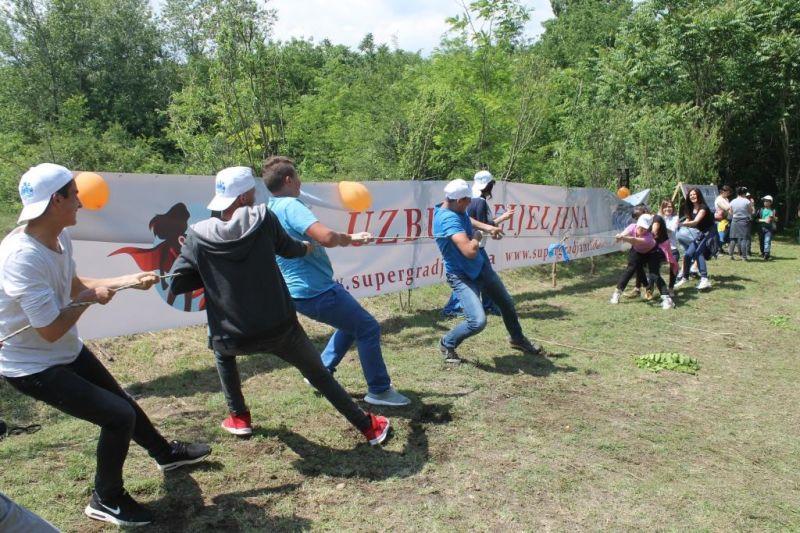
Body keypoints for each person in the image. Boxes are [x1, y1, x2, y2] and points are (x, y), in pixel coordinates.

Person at [0, 164, 211, 528]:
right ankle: (106, 498)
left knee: (121, 401)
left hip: (63, 350)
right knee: (118, 416)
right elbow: (49, 329)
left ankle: (165, 454)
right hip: (31, 366)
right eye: (74, 194)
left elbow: (73, 284)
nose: (81, 202)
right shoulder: (22, 257)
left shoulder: (59, 237)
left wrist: (127, 279)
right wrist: (90, 299)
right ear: (56, 201)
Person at [170, 166, 391, 444]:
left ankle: (239, 417)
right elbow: (289, 249)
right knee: (318, 374)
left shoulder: (197, 235)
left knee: (222, 353)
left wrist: (208, 268)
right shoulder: (263, 218)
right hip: (279, 327)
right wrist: (306, 247)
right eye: (252, 191)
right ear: (244, 196)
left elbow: (178, 283)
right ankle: (369, 427)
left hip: (231, 332)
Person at [263, 157, 410, 407]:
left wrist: (350, 237)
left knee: (352, 323)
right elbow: (327, 237)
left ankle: (319, 373)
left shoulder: (272, 207)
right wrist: (349, 238)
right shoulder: (290, 206)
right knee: (367, 327)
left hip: (300, 290)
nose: (300, 182)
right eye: (297, 177)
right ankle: (379, 390)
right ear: (288, 179)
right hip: (315, 290)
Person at [433, 179, 542, 363]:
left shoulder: (454, 208)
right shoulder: (447, 219)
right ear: (459, 200)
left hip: (481, 267)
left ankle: (517, 339)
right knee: (477, 322)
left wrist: (488, 227)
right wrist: (477, 236)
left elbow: (467, 219)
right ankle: (447, 343)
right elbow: (469, 251)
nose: (470, 203)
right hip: (462, 276)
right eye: (468, 200)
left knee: (506, 303)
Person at [442, 170, 514, 317]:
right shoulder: (480, 201)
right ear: (489, 185)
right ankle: (454, 308)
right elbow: (482, 225)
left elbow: (477, 223)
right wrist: (502, 219)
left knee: (482, 277)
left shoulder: (472, 199)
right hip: (475, 246)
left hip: (473, 245)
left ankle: (487, 305)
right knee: (474, 278)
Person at [611, 214, 675, 309]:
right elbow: (624, 234)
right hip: (637, 251)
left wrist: (623, 238)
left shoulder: (649, 237)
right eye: (641, 227)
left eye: (645, 228)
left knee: (654, 274)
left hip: (652, 253)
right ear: (638, 224)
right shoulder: (632, 226)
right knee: (630, 270)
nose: (643, 230)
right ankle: (617, 294)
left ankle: (667, 300)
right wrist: (620, 236)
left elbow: (634, 240)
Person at [675, 188, 713, 290]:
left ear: (699, 195)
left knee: (698, 253)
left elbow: (695, 222)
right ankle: (685, 277)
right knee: (688, 254)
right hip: (701, 234)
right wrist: (678, 223)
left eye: (694, 194)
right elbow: (688, 220)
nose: (692, 196)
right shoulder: (690, 207)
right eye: (691, 195)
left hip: (709, 233)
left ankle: (704, 279)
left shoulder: (703, 207)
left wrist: (681, 224)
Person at [658, 199, 681, 296]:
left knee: (673, 267)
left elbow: (671, 230)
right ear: (662, 208)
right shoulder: (658, 217)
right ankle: (654, 287)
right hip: (659, 248)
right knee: (654, 268)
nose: (668, 209)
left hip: (672, 247)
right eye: (665, 207)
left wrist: (660, 225)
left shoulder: (675, 218)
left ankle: (671, 287)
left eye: (670, 206)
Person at [728, 186, 754, 261]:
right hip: (744, 221)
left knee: (733, 238)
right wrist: (752, 205)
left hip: (734, 220)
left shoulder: (733, 201)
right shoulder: (747, 201)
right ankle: (744, 257)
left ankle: (731, 255)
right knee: (743, 239)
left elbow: (730, 212)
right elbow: (750, 211)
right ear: (744, 193)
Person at [757, 195, 777, 260]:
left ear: (770, 202)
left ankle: (766, 254)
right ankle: (763, 253)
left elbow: (777, 219)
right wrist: (764, 220)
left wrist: (774, 218)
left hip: (769, 229)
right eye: (764, 201)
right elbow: (756, 220)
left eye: (766, 201)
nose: (765, 202)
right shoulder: (760, 210)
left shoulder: (773, 210)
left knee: (767, 241)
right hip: (761, 228)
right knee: (761, 241)